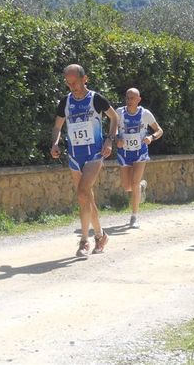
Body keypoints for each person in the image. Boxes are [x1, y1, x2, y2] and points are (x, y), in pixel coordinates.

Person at [51, 64, 118, 259]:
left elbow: (114, 118)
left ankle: (84, 241)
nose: (73, 87)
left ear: (85, 79)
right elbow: (57, 126)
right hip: (74, 156)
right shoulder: (65, 101)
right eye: (69, 83)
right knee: (86, 198)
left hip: (94, 154)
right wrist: (55, 143)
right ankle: (101, 236)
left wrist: (109, 140)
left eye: (76, 83)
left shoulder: (96, 99)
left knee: (82, 192)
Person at [116, 88, 163, 228]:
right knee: (127, 186)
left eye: (132, 98)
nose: (129, 101)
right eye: (127, 98)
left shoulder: (145, 114)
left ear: (138, 99)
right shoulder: (119, 112)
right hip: (124, 152)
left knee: (134, 183)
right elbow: (113, 128)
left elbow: (159, 130)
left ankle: (134, 217)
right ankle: (141, 186)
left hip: (140, 152)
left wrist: (151, 137)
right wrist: (117, 138)